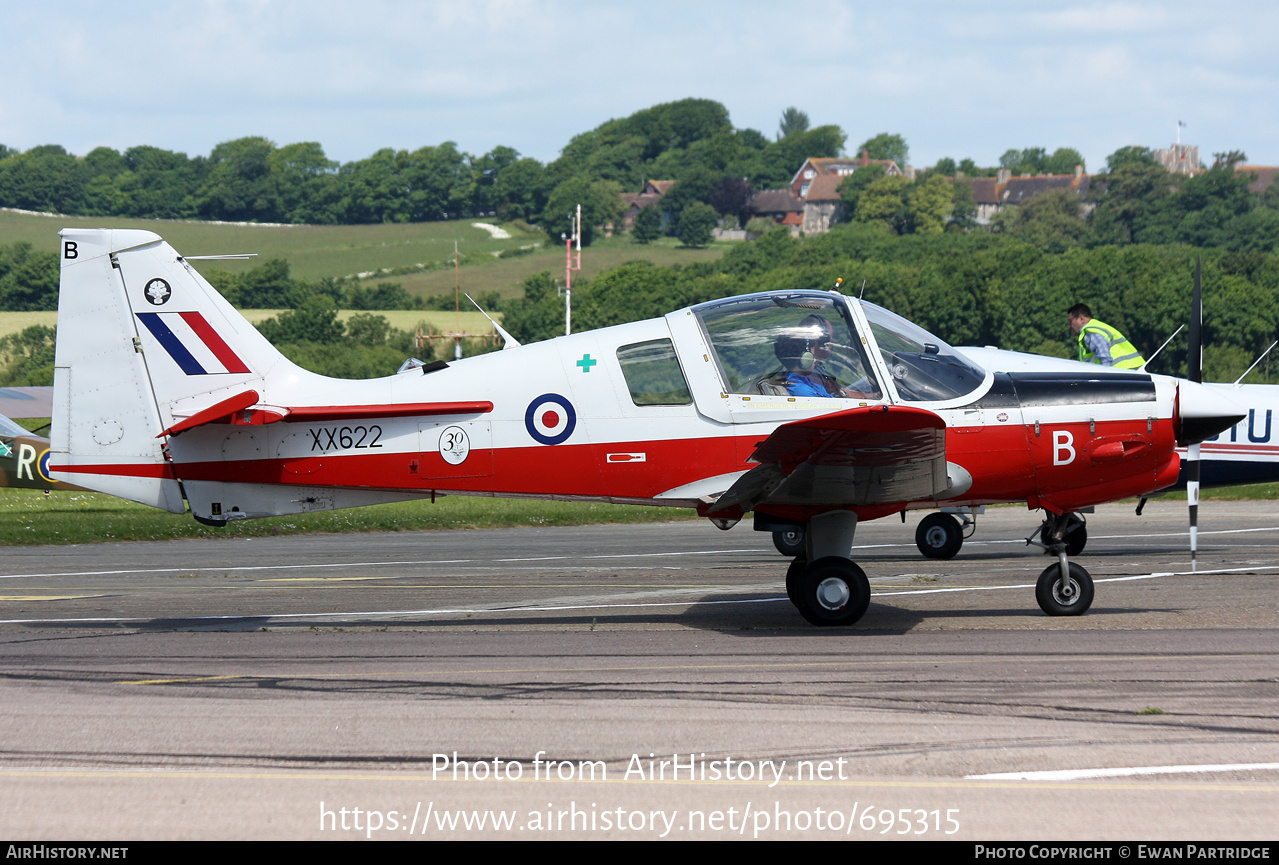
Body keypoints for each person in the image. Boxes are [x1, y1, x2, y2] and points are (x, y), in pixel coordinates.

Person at [1068, 303, 1145, 369]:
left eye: (1071, 321)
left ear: (1081, 318)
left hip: (1122, 375)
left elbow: (1105, 359)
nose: (1070, 326)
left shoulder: (1090, 332)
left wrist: (1104, 379)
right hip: (1132, 372)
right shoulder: (1098, 327)